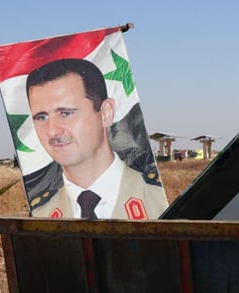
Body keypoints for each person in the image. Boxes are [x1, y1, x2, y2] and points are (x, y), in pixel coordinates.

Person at [25, 58, 167, 220]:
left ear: (106, 113)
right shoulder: (41, 216)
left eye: (65, 113)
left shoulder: (159, 202)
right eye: (41, 117)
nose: (52, 131)